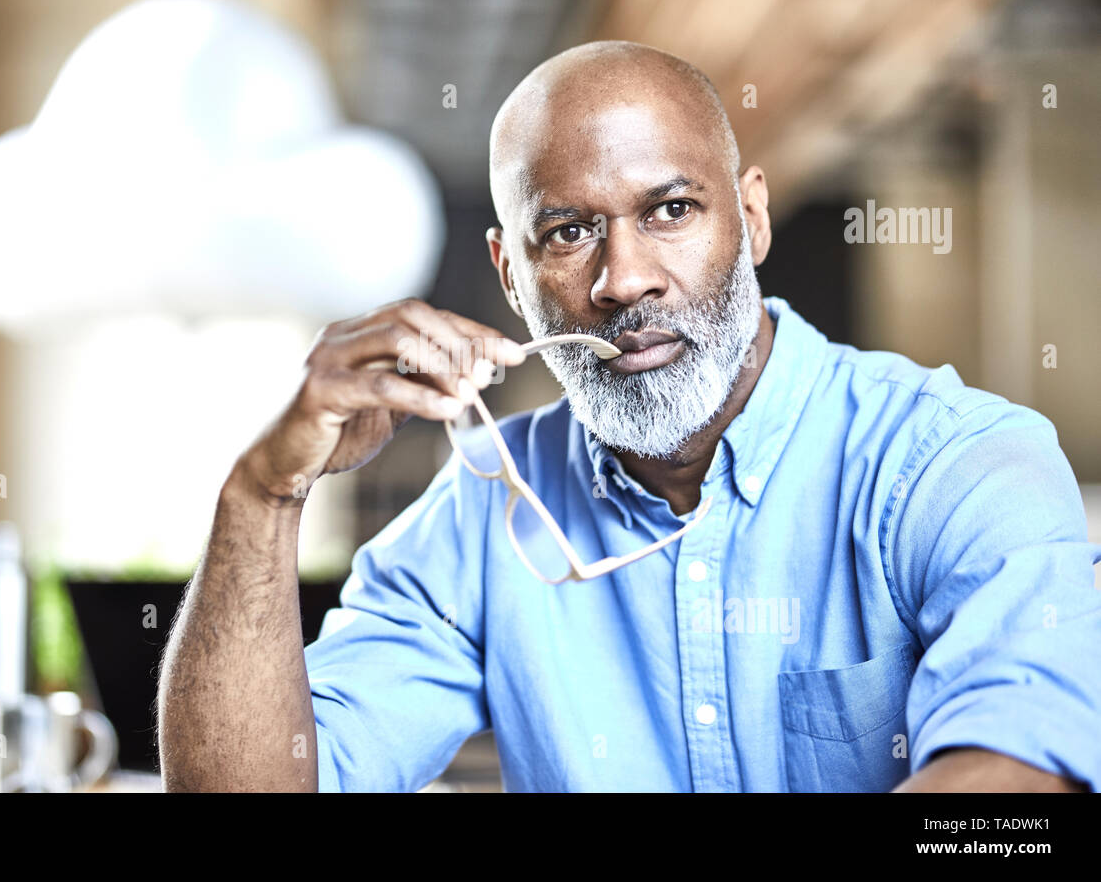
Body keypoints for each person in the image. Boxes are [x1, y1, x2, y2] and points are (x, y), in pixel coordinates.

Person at [158, 41, 1101, 792]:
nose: (625, 280)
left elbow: (1019, 798)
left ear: (752, 220)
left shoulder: (960, 463)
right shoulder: (484, 513)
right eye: (569, 232)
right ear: (510, 278)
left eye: (672, 210)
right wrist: (265, 490)